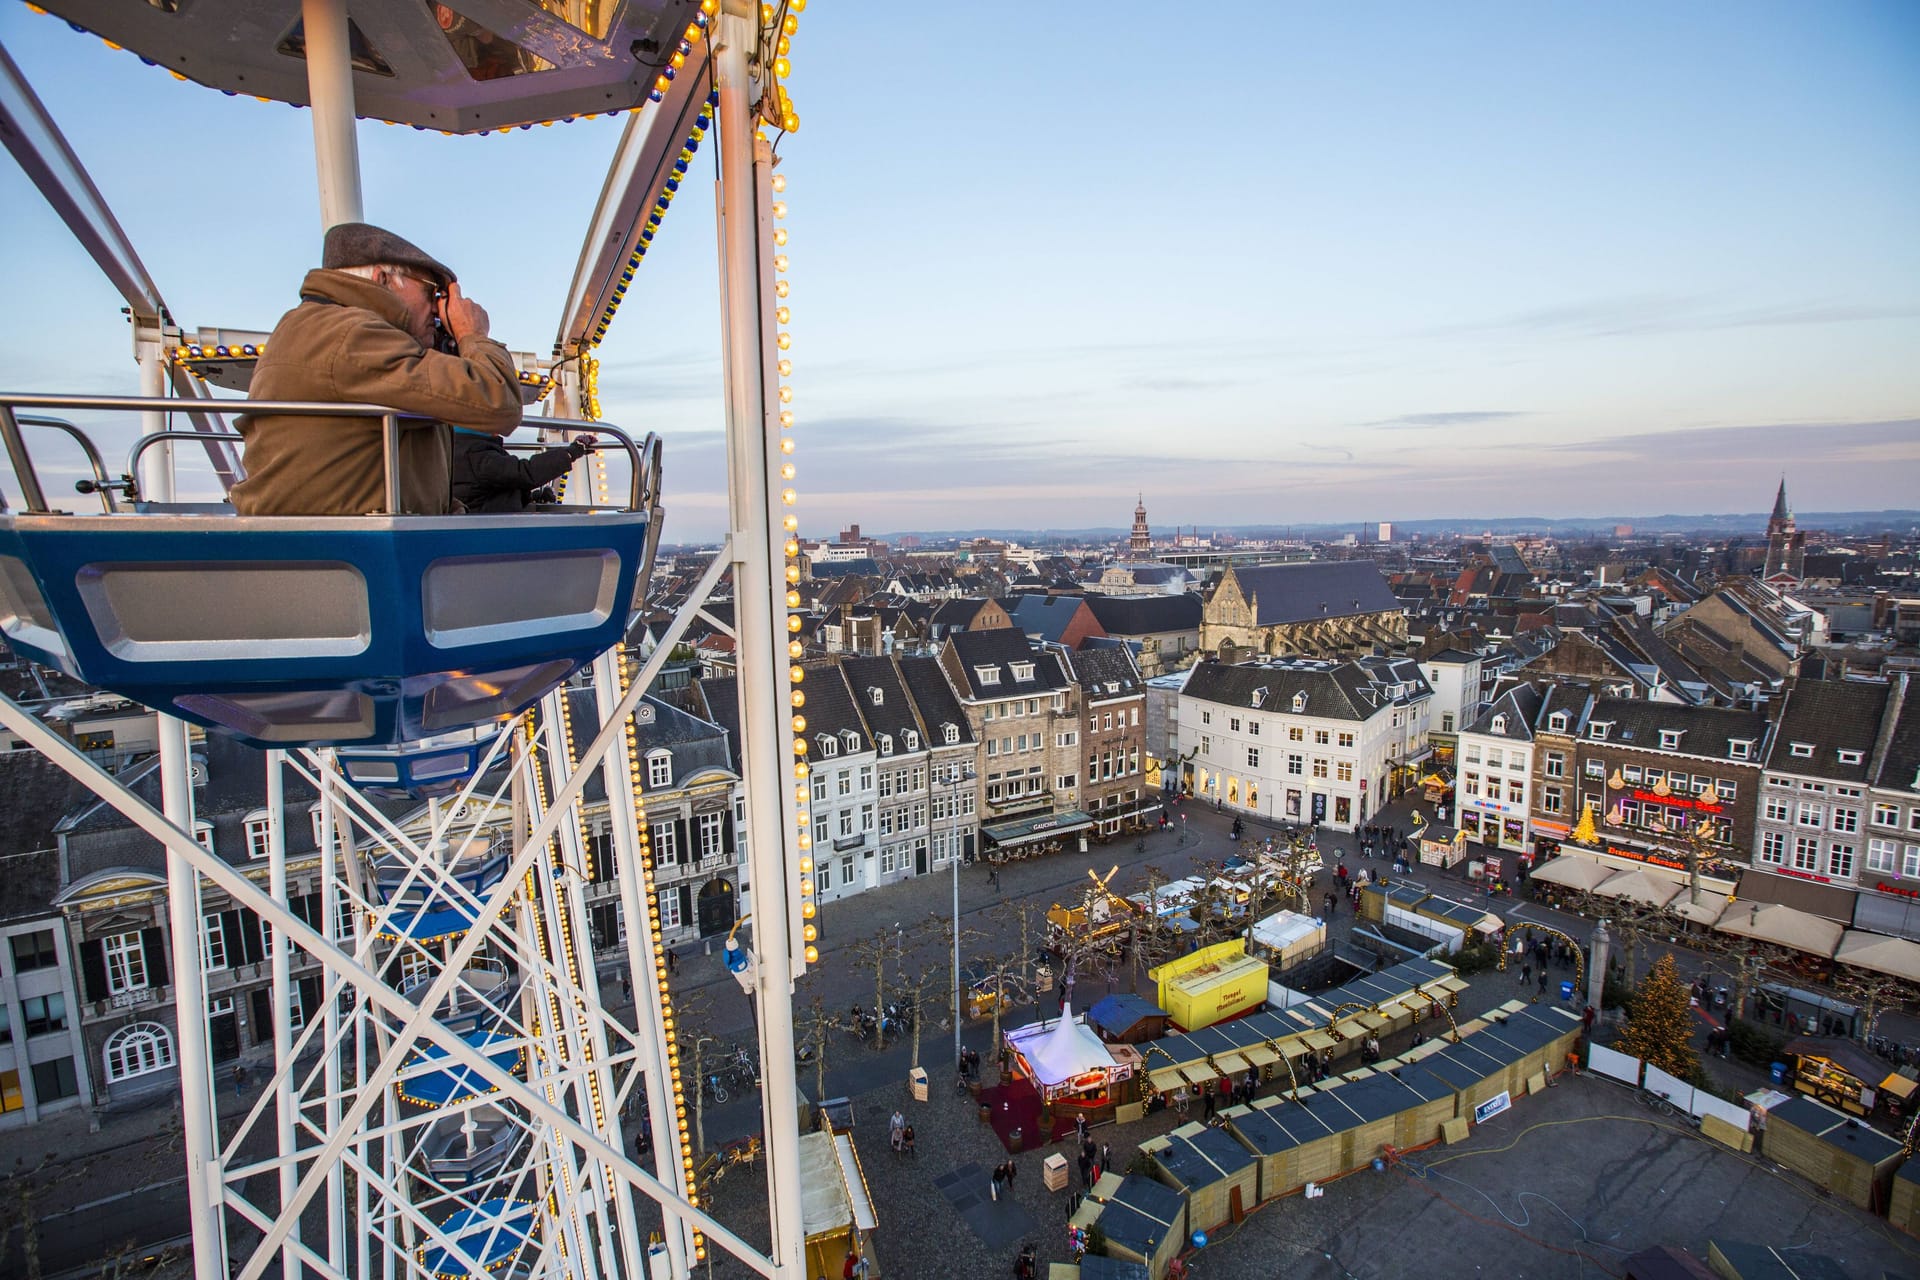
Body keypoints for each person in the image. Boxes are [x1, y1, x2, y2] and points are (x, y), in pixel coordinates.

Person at [232, 222, 523, 516]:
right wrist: (472, 335)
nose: (438, 308)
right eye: (432, 292)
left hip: (332, 542)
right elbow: (497, 402)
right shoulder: (351, 336)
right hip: (346, 550)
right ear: (382, 279)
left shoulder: (316, 326)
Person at [452, 427, 597, 512]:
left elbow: (489, 490)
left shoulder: (460, 449)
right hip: (488, 529)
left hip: (485, 518)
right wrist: (571, 452)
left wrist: (528, 498)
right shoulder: (476, 453)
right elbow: (524, 473)